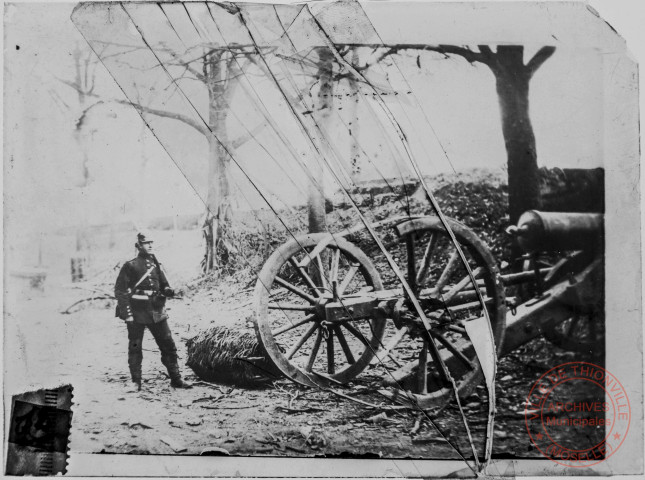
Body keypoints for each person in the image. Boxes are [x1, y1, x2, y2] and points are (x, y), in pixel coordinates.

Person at [114, 231, 192, 390]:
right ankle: (136, 382)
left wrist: (170, 290)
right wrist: (127, 314)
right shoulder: (130, 265)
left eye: (151, 242)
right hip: (137, 313)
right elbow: (120, 291)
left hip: (156, 312)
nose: (150, 245)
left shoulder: (155, 264)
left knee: (168, 344)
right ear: (138, 246)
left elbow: (164, 285)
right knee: (135, 348)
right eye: (146, 243)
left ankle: (176, 379)